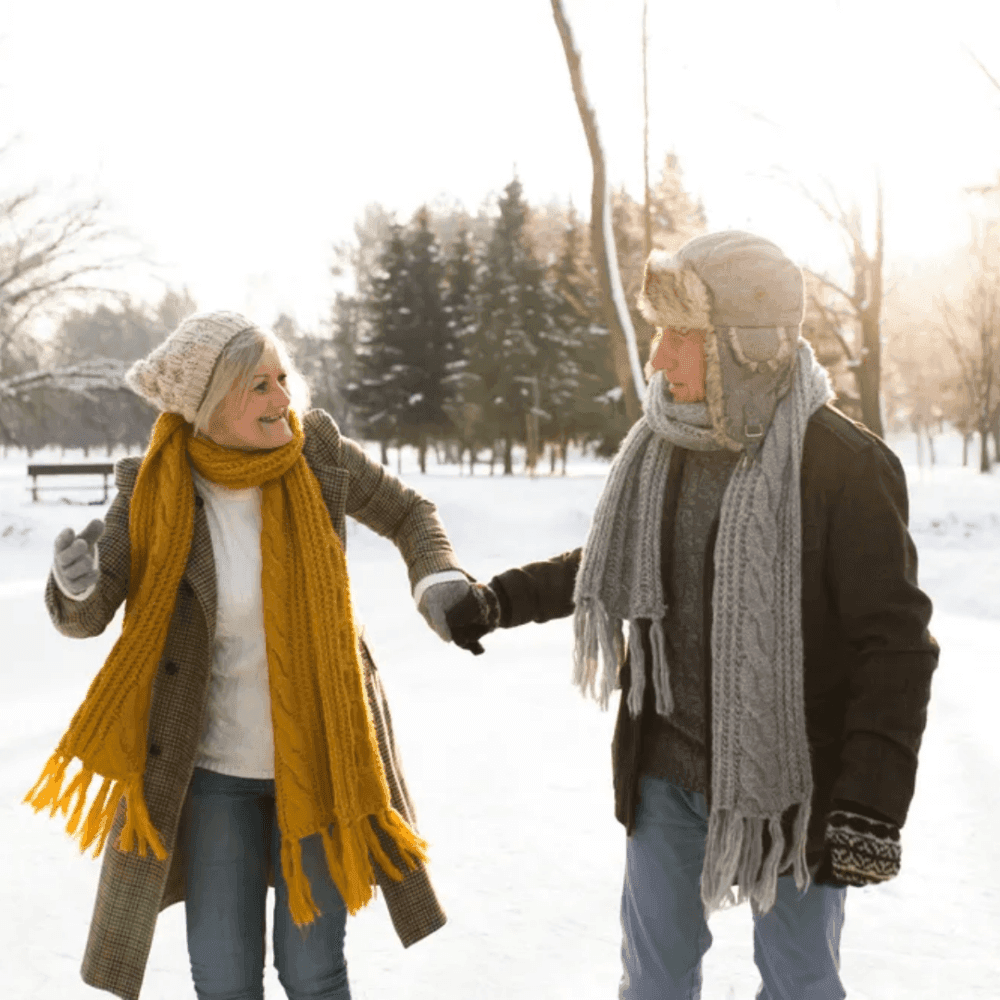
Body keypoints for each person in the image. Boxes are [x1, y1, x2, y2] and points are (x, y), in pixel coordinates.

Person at [447, 232, 940, 999]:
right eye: (659, 331)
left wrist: (872, 800)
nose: (658, 358)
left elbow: (895, 646)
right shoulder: (663, 443)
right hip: (666, 770)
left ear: (746, 346)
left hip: (794, 783)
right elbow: (618, 562)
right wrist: (499, 600)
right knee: (653, 984)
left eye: (682, 335)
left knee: (801, 983)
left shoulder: (843, 464)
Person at [25, 311, 481, 1000]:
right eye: (258, 386)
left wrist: (438, 577)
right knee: (224, 976)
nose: (281, 399)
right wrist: (74, 583)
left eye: (282, 379)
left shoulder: (318, 455)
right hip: (212, 774)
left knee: (314, 973)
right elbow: (91, 614)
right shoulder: (152, 490)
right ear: (209, 405)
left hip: (326, 757)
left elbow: (411, 513)